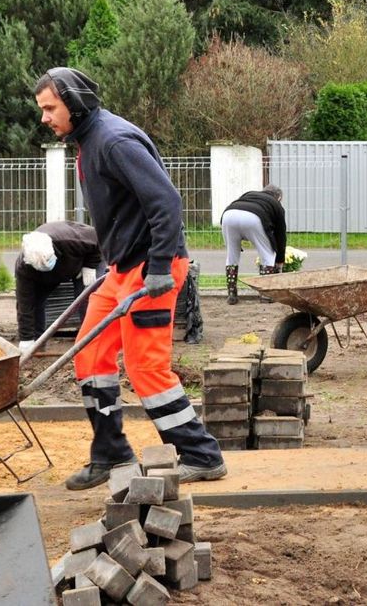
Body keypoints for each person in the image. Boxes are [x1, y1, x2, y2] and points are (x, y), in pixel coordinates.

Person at [34, 67, 225, 490]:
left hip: (151, 268)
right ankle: (111, 453)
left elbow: (166, 202)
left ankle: (202, 454)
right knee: (89, 356)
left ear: (74, 103)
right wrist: (112, 263)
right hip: (121, 269)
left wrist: (158, 268)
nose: (44, 118)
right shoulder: (88, 141)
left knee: (145, 369)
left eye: (50, 108)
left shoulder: (115, 141)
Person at [15, 221, 102, 354]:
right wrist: (26, 339)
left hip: (86, 259)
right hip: (53, 273)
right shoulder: (24, 269)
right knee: (35, 302)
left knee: (86, 298)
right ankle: (37, 346)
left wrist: (90, 266)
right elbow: (25, 304)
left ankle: (92, 343)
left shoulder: (70, 240)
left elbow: (97, 240)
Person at [221, 185, 287, 305]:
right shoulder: (276, 204)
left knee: (232, 256)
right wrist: (280, 259)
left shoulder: (249, 194)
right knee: (268, 255)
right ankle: (265, 295)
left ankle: (231, 294)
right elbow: (280, 234)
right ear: (279, 198)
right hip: (254, 217)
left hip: (228, 215)